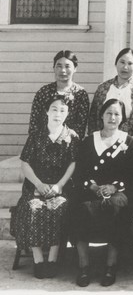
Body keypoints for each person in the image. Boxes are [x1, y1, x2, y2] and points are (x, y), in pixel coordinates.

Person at [71, 99, 133, 287]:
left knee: (117, 207)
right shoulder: (88, 141)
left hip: (118, 191)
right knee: (79, 209)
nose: (112, 117)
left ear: (123, 118)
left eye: (117, 114)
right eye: (108, 113)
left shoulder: (129, 142)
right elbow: (80, 172)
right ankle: (83, 266)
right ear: (101, 115)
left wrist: (114, 187)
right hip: (90, 189)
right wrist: (93, 187)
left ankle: (111, 266)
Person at [14, 94, 78, 279]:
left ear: (67, 114)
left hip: (60, 187)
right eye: (54, 109)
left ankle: (52, 259)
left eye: (62, 110)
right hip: (36, 185)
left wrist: (59, 186)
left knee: (58, 208)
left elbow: (73, 164)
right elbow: (25, 163)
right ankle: (38, 260)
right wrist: (38, 184)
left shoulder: (72, 136)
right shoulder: (36, 135)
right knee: (33, 208)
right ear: (47, 112)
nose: (58, 113)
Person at [88, 48, 133, 165]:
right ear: (116, 63)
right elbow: (94, 116)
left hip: (132, 145)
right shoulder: (103, 87)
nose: (125, 67)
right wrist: (96, 140)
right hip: (104, 144)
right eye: (122, 62)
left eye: (130, 63)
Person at [28, 50, 89, 139]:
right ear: (54, 68)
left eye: (67, 66)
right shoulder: (44, 92)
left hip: (70, 145)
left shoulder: (80, 94)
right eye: (59, 66)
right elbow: (34, 124)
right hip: (42, 144)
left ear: (75, 68)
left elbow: (80, 128)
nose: (63, 70)